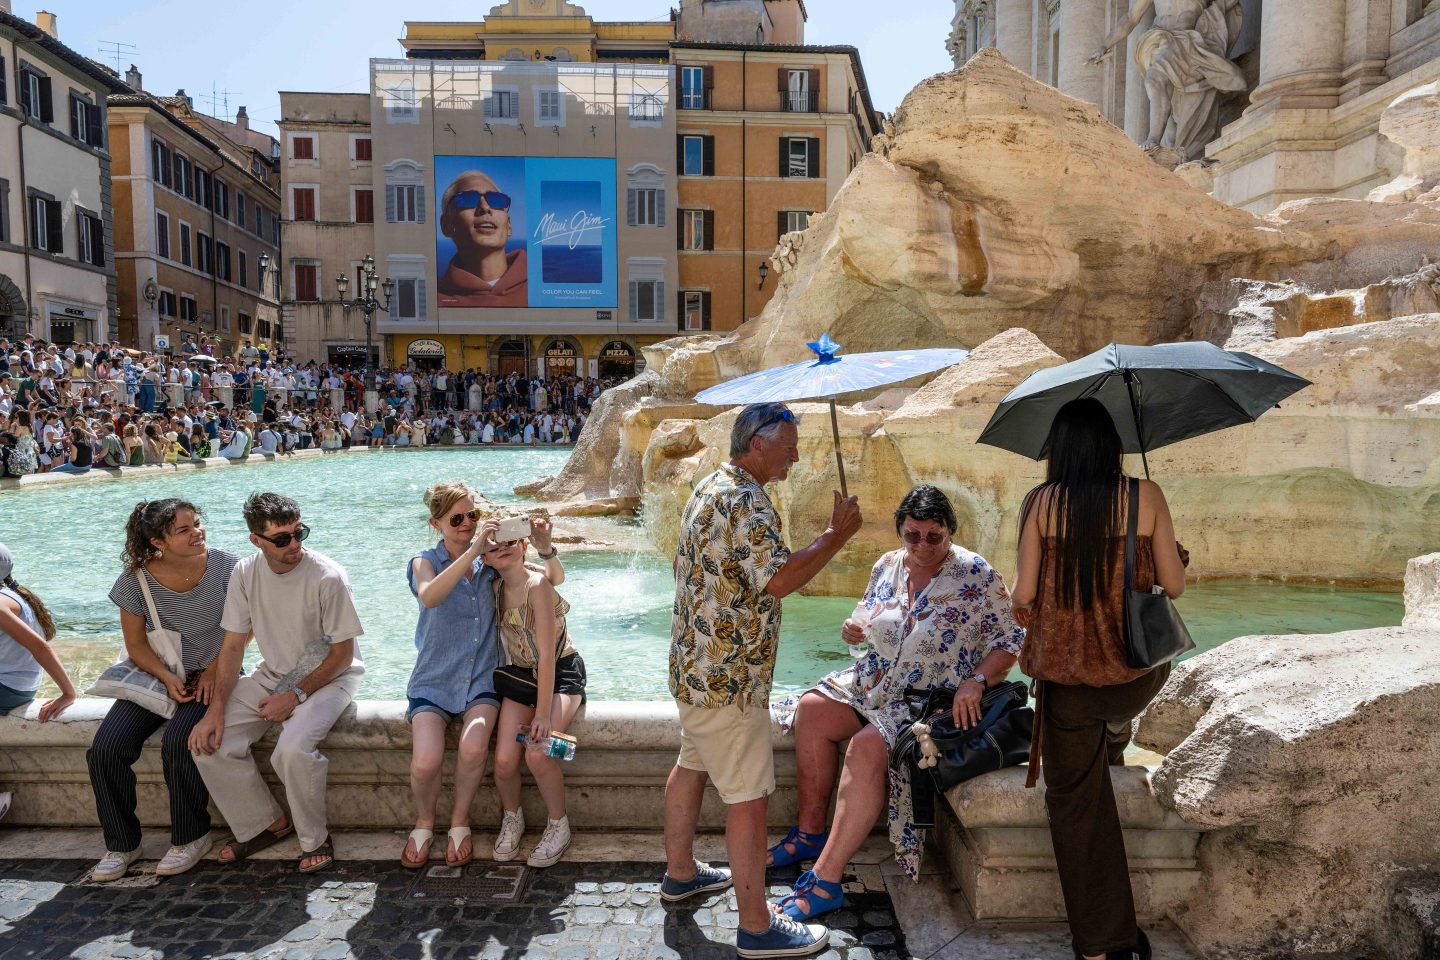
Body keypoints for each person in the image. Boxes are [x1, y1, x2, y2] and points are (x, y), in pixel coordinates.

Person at [662, 402, 862, 960]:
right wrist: (836, 535)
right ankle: (756, 927)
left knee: (691, 766)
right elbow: (779, 580)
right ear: (757, 445)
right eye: (789, 444)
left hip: (694, 667)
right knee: (747, 800)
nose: (796, 453)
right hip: (729, 679)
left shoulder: (710, 487)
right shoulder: (747, 502)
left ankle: (681, 874)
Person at [769, 486, 1025, 918]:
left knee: (867, 746)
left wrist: (978, 680)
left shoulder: (976, 574)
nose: (923, 545)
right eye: (913, 535)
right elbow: (867, 619)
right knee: (812, 708)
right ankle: (810, 833)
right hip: (873, 682)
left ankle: (826, 880)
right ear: (901, 532)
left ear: (950, 532)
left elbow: (1011, 638)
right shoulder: (887, 564)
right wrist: (852, 632)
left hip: (930, 700)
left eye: (934, 536)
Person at [1010, 398, 1188, 960]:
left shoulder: (1041, 504)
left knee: (1076, 804)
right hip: (1135, 674)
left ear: (1057, 451)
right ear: (1112, 445)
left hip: (1071, 684)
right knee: (1105, 724)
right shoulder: (1146, 495)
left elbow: (1024, 595)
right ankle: (1115, 735)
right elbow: (1175, 587)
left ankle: (1101, 944)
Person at [188, 493, 365, 874]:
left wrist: (295, 695)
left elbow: (343, 655)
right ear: (256, 540)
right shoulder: (245, 572)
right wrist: (215, 710)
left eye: (299, 532)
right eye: (282, 538)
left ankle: (315, 839)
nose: (295, 544)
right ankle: (266, 824)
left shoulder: (328, 576)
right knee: (207, 743)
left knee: (291, 751)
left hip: (330, 678)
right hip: (272, 674)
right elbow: (233, 644)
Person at [402, 486, 565, 869]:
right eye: (455, 519)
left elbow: (549, 579)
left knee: (475, 749)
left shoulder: (490, 563)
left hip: (480, 680)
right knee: (425, 761)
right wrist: (475, 550)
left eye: (471, 516)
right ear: (435, 523)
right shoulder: (425, 561)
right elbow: (429, 596)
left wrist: (544, 547)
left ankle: (460, 821)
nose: (465, 524)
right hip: (434, 680)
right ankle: (425, 822)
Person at [87, 501, 240, 882]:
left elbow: (245, 629)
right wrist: (166, 677)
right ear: (158, 541)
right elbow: (136, 645)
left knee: (179, 741)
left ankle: (192, 835)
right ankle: (122, 844)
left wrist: (210, 670)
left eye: (198, 524)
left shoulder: (230, 568)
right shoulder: (134, 580)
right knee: (104, 749)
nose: (198, 533)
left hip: (214, 672)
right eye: (185, 530)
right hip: (157, 675)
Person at [486, 514, 581, 869]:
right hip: (521, 678)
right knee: (505, 760)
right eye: (494, 548)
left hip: (561, 673)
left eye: (510, 543)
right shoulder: (494, 590)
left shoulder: (537, 586)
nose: (504, 550)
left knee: (539, 753)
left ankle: (559, 825)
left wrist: (542, 714)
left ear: (522, 546)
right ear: (486, 559)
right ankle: (513, 818)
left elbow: (546, 656)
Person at [0, 542, 77, 720]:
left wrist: (68, 693)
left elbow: (40, 647)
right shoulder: (10, 594)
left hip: (9, 687)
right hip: (15, 685)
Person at [436, 171, 528, 308]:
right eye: (467, 199)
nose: (485, 207)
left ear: (509, 225)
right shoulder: (432, 300)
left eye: (496, 199)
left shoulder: (541, 288)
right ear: (446, 225)